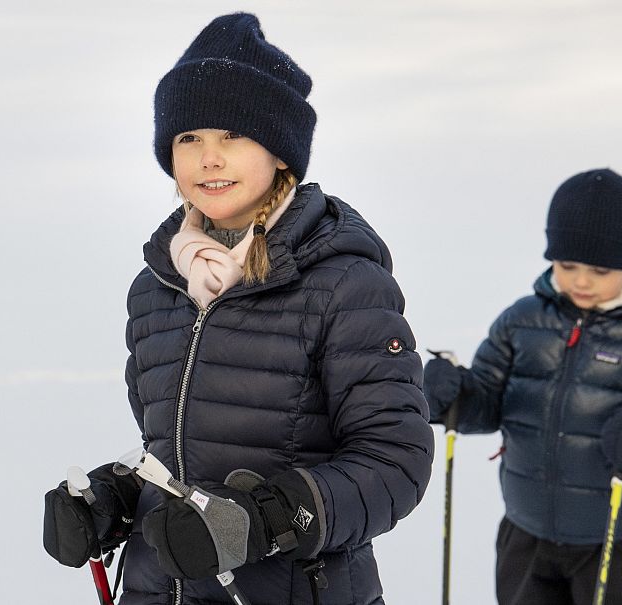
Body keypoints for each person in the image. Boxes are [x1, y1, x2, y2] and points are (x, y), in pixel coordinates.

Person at [42, 13, 434, 605]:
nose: (209, 159)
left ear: (281, 153)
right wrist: (114, 499)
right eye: (189, 138)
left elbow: (395, 461)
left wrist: (266, 519)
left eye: (234, 136)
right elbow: (173, 451)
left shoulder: (344, 283)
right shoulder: (158, 289)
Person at [424, 168, 622, 605]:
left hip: (613, 539)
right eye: (567, 265)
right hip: (526, 534)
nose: (581, 280)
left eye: (600, 269)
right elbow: (487, 403)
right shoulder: (522, 321)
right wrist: (452, 397)